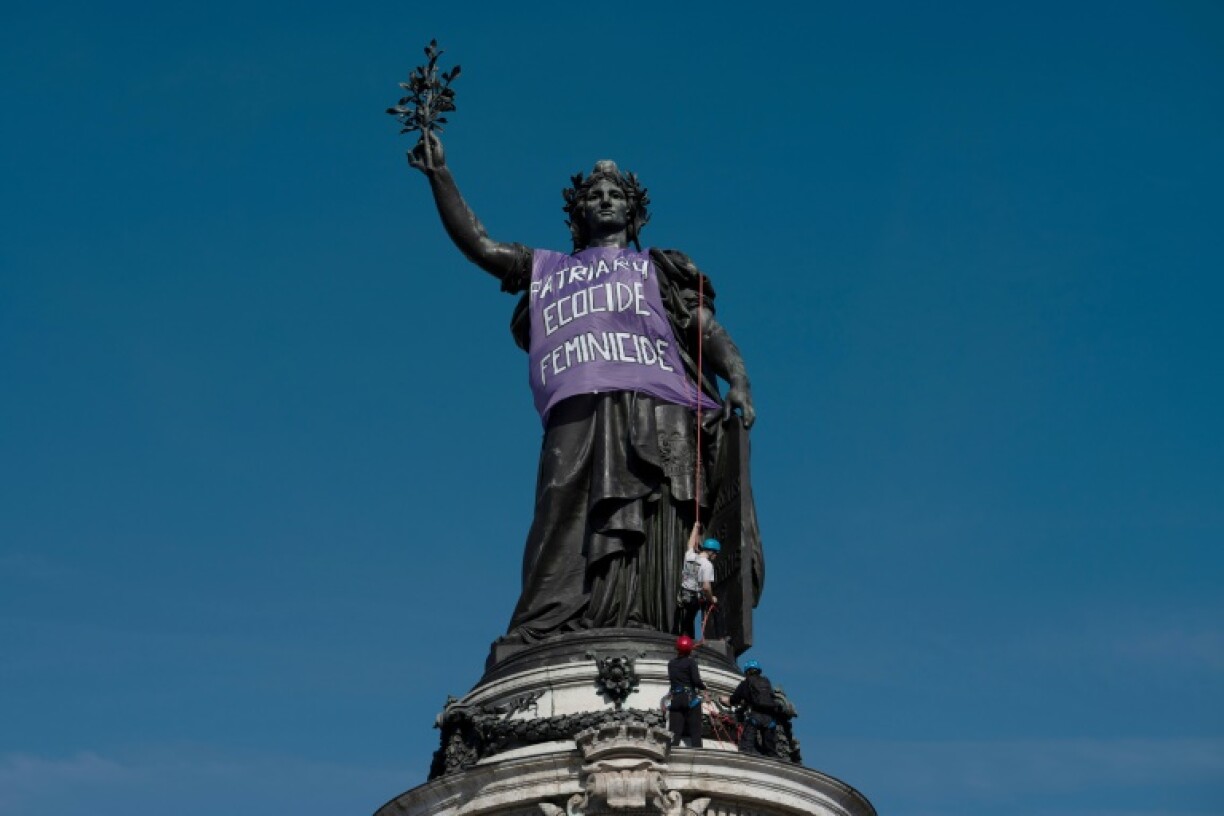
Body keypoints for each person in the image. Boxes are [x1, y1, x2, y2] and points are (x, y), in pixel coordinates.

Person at [408, 133, 763, 648]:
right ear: (577, 212)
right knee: (562, 505)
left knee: (655, 511)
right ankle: (555, 620)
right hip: (578, 411)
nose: (604, 200)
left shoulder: (658, 270)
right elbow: (480, 245)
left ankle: (654, 622)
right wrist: (441, 176)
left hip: (659, 410)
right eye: (594, 195)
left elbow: (704, 330)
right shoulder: (548, 271)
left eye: (616, 194)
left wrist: (740, 378)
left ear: (634, 212)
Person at [677, 524, 722, 639]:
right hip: (694, 598)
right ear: (712, 552)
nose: (716, 556)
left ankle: (685, 636)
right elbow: (706, 587)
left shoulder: (690, 556)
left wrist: (695, 528)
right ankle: (719, 637)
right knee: (714, 608)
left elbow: (690, 544)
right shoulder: (707, 565)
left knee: (687, 620)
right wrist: (712, 599)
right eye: (716, 553)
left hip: (682, 594)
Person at [726, 659, 779, 757]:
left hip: (755, 716)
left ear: (747, 671)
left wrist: (727, 701)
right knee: (770, 749)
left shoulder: (746, 683)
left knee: (746, 747)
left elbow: (734, 699)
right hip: (770, 718)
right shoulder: (766, 682)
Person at [666, 635, 706, 747]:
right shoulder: (691, 662)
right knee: (696, 732)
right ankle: (698, 755)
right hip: (690, 699)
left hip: (675, 700)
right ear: (689, 650)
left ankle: (672, 754)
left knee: (674, 734)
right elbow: (696, 680)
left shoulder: (671, 664)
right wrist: (704, 687)